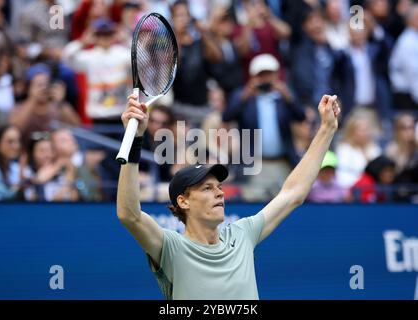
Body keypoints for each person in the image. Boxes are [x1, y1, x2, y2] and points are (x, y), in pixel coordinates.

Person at [116, 92, 341, 299]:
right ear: (183, 201)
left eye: (219, 187)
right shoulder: (171, 247)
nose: (219, 193)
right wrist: (135, 139)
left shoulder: (242, 234)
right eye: (207, 188)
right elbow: (130, 215)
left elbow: (293, 193)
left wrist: (327, 129)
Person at [224, 53, 305, 200]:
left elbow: (301, 116)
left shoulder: (284, 97)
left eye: (269, 74)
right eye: (262, 75)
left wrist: (287, 96)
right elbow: (227, 116)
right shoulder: (243, 97)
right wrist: (246, 95)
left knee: (285, 204)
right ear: (253, 76)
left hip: (282, 162)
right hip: (255, 165)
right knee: (253, 205)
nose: (266, 78)